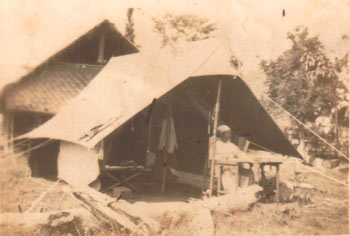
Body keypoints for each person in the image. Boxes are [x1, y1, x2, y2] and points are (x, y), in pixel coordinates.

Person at [214, 125, 245, 192]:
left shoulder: (230, 145)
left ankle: (242, 190)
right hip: (222, 168)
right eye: (227, 133)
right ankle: (231, 190)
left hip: (233, 167)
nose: (229, 135)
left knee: (248, 173)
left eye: (230, 133)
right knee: (228, 175)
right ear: (222, 134)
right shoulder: (217, 145)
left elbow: (240, 153)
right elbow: (213, 158)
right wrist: (225, 158)